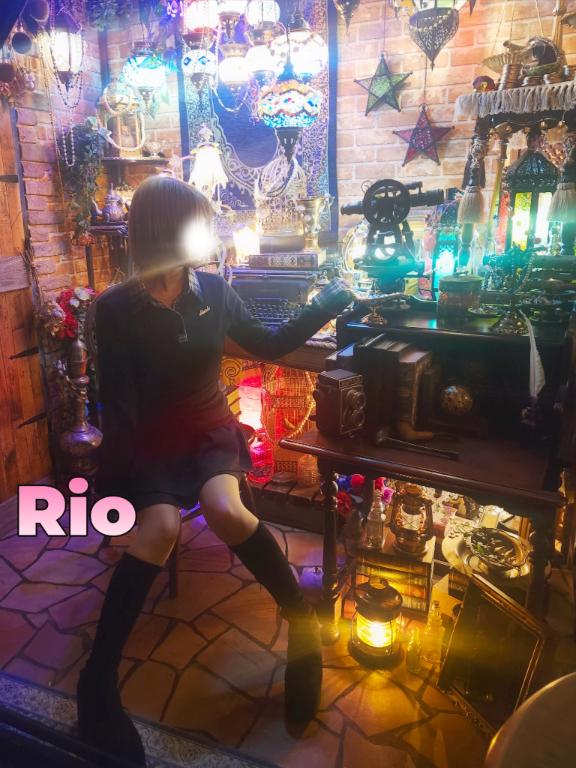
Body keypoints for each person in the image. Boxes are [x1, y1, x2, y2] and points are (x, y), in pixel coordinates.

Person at [77, 175, 354, 765]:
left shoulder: (215, 291)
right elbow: (117, 406)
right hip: (151, 440)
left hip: (207, 429)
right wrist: (115, 488)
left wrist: (327, 303)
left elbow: (269, 345)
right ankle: (97, 684)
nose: (210, 232)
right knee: (159, 529)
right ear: (166, 231)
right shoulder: (114, 308)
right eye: (199, 223)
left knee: (226, 509)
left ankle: (301, 625)